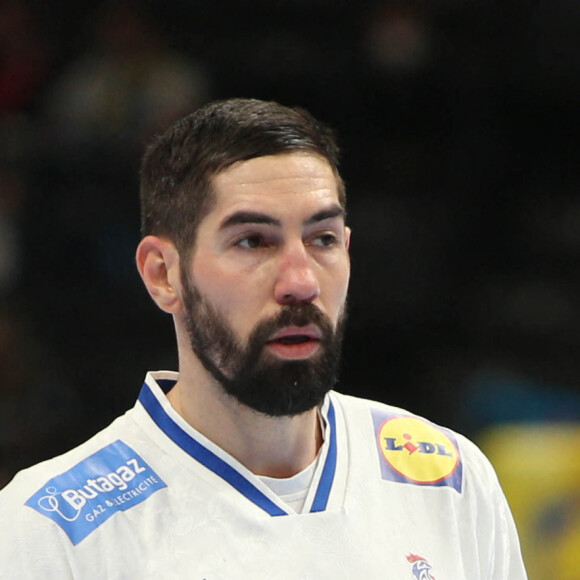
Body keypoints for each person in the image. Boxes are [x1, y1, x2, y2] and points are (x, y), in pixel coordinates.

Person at [0, 98, 527, 579]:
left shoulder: (449, 478)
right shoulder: (50, 531)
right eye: (252, 241)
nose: (301, 281)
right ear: (163, 274)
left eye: (322, 239)